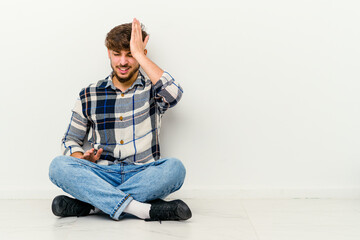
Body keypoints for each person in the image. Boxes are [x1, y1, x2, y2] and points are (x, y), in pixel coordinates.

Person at [48, 18, 191, 222]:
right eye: (117, 54)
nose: (123, 62)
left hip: (142, 173)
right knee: (58, 166)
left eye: (130, 55)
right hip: (101, 174)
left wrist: (140, 54)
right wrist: (81, 157)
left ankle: (93, 207)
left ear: (141, 56)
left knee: (175, 169)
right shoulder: (89, 94)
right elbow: (70, 140)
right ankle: (142, 209)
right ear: (109, 53)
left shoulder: (153, 89)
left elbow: (174, 94)